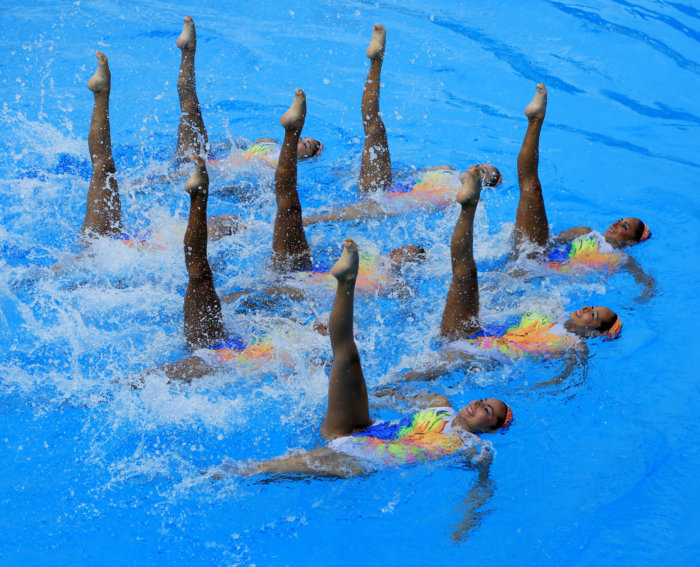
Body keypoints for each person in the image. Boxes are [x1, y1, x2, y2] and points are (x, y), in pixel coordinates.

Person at [225, 239, 511, 477]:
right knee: (349, 359)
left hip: (361, 460)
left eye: (487, 411)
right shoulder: (440, 405)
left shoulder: (471, 447)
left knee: (262, 471)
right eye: (484, 400)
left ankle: (220, 475)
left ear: (493, 430)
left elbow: (483, 484)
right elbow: (391, 391)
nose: (478, 404)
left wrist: (466, 522)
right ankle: (346, 281)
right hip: (362, 426)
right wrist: (357, 393)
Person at [389, 167, 622, 384]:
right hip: (470, 329)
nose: (585, 309)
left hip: (472, 352)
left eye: (592, 315)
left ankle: (381, 389)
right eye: (591, 306)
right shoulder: (552, 309)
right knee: (466, 274)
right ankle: (468, 208)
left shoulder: (575, 344)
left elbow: (573, 373)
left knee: (403, 380)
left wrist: (546, 385)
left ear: (595, 333)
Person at [301, 24, 502, 226]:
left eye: (483, 172)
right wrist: (356, 173)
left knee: (320, 218)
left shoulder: (463, 199)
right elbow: (408, 175)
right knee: (375, 129)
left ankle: (295, 221)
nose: (476, 167)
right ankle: (376, 61)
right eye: (480, 165)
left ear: (484, 185)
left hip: (385, 207)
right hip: (383, 184)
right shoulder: (446, 169)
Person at [79, 46, 240, 251]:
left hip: (106, 244)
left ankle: (101, 96)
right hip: (113, 245)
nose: (219, 219)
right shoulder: (182, 237)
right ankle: (101, 95)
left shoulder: (179, 234)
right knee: (104, 169)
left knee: (103, 169)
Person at [513, 83, 652, 273]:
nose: (616, 223)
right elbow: (546, 243)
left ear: (632, 242)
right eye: (620, 220)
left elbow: (646, 284)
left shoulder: (621, 259)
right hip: (534, 259)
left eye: (624, 226)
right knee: (532, 188)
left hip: (537, 281)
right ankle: (535, 121)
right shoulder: (585, 232)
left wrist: (644, 294)